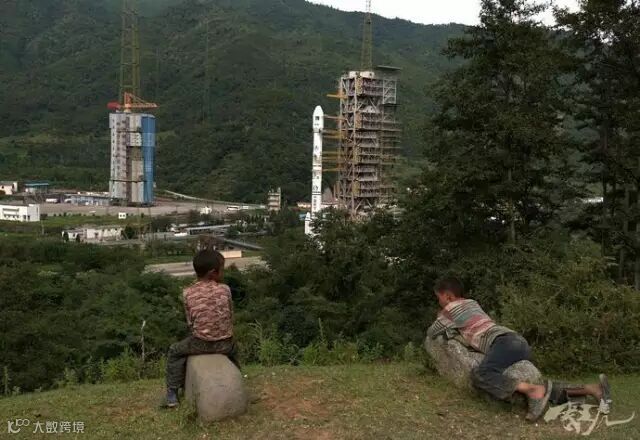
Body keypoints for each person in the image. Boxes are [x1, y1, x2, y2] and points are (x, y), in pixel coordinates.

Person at [426, 277, 612, 421]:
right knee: (536, 382)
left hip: (503, 343)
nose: (439, 302)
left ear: (448, 296)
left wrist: (441, 314)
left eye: (439, 298)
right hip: (517, 342)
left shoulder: (450, 309)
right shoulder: (472, 303)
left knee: (481, 374)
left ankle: (532, 391)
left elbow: (432, 332)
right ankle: (593, 390)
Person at [165, 249, 239, 408]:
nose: (223, 273)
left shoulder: (187, 292)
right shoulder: (225, 289)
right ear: (213, 273)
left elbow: (190, 323)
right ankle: (237, 377)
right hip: (226, 344)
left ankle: (172, 393)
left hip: (200, 343)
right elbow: (230, 315)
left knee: (174, 351)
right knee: (234, 350)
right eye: (222, 269)